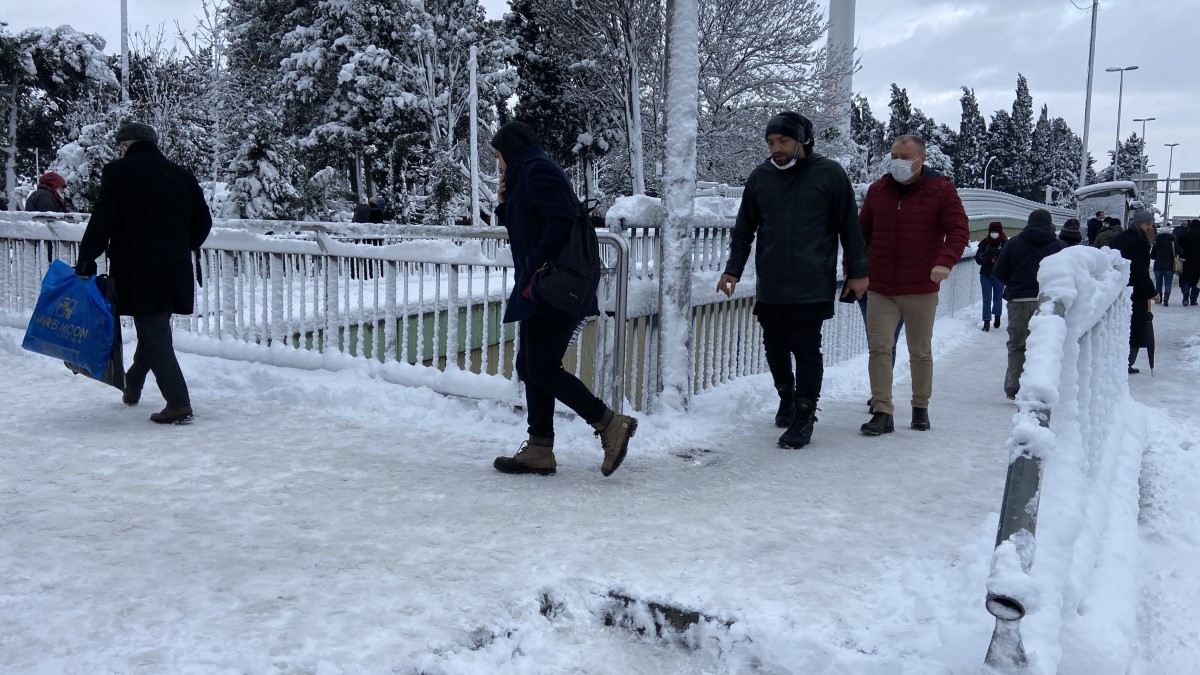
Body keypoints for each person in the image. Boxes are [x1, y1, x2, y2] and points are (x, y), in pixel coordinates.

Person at [489, 121, 636, 476]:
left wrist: (537, 264)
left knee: (540, 366)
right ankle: (540, 447)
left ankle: (609, 423)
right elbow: (529, 224)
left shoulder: (538, 170)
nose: (498, 164)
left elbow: (560, 219)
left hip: (552, 284)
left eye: (497, 156)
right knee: (530, 365)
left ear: (511, 150)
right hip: (540, 284)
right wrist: (505, 203)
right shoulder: (526, 174)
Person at [717, 111, 869, 449]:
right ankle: (786, 396)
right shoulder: (761, 177)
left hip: (813, 282)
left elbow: (850, 228)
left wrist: (858, 272)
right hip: (771, 282)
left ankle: (804, 415)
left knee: (806, 348)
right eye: (771, 142)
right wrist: (732, 270)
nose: (776, 148)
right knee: (774, 347)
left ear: (802, 140)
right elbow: (743, 231)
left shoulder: (829, 174)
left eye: (783, 141)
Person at [74, 122, 212, 424]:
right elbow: (204, 222)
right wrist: (180, 246)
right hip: (175, 267)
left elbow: (103, 219)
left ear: (126, 145)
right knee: (155, 328)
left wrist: (86, 259)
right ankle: (132, 385)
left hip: (138, 267)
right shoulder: (181, 175)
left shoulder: (119, 172)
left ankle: (178, 403)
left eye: (120, 146)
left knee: (154, 332)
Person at [857, 133, 969, 435]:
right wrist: (853, 271)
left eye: (905, 157)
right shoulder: (878, 191)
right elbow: (860, 234)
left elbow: (959, 228)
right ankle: (882, 410)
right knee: (879, 348)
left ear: (922, 159)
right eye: (894, 156)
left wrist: (945, 261)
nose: (898, 162)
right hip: (881, 287)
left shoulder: (941, 190)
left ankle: (920, 406)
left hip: (921, 285)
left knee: (919, 350)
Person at [992, 209, 1068, 399]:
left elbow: (999, 271)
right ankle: (1042, 388)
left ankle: (1014, 388)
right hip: (1047, 303)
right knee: (1045, 346)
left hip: (1018, 301)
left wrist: (1015, 284)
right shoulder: (1059, 246)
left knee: (1017, 345)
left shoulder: (1014, 243)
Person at [1111, 210, 1160, 373]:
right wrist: (1152, 292)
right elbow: (1140, 271)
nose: (1150, 228)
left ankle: (1118, 361)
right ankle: (1127, 362)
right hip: (1135, 293)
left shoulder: (1120, 238)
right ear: (1138, 224)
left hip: (1117, 289)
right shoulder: (1139, 242)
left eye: (1151, 224)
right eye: (1147, 224)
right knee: (1135, 328)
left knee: (1119, 326)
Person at [974, 221, 1007, 332]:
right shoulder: (985, 243)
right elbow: (978, 258)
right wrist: (986, 259)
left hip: (999, 275)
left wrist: (998, 260)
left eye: (996, 232)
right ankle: (986, 322)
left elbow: (1009, 258)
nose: (994, 234)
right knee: (986, 299)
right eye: (992, 232)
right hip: (985, 275)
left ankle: (997, 317)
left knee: (997, 298)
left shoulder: (1005, 243)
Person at [1151, 226, 1182, 306]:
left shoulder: (1157, 242)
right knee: (1168, 283)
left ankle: (1159, 299)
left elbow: (1152, 255)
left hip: (1158, 266)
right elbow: (1180, 251)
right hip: (1169, 266)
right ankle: (1166, 299)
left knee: (1158, 283)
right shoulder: (1172, 242)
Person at [1179, 220, 1200, 306]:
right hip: (1199, 263)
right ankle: (1193, 300)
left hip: (1186, 261)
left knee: (1185, 279)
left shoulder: (1184, 236)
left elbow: (1180, 249)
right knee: (1197, 282)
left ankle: (1185, 292)